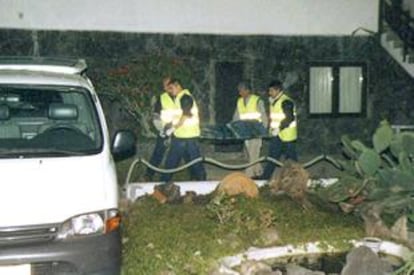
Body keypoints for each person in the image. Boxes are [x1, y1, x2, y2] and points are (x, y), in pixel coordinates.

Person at [160, 78, 207, 182]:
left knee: (194, 162)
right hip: (181, 136)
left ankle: (203, 183)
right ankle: (163, 183)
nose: (170, 91)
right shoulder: (179, 97)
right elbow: (178, 116)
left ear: (177, 85)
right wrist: (169, 127)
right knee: (172, 161)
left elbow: (186, 115)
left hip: (189, 136)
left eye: (171, 88)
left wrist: (173, 128)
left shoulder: (185, 97)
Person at [261, 79, 298, 180]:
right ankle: (265, 177)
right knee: (272, 157)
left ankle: (296, 179)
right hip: (277, 136)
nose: (269, 93)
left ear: (277, 90)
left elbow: (289, 118)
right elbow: (275, 118)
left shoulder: (286, 101)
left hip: (287, 136)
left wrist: (279, 128)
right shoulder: (275, 101)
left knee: (292, 161)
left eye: (271, 91)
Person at [232, 82, 267, 178]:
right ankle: (258, 172)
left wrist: (263, 130)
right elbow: (237, 116)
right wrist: (234, 127)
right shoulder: (239, 101)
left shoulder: (257, 101)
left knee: (254, 152)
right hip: (246, 132)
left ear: (247, 90)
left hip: (256, 131)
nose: (240, 93)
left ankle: (250, 173)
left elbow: (263, 117)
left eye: (241, 90)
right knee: (252, 153)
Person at [144, 76, 174, 181]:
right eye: (165, 86)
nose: (166, 88)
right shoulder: (162, 98)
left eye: (168, 85)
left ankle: (165, 178)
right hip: (165, 131)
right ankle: (149, 175)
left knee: (182, 155)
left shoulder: (181, 97)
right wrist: (161, 129)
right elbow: (156, 116)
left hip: (178, 131)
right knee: (158, 152)